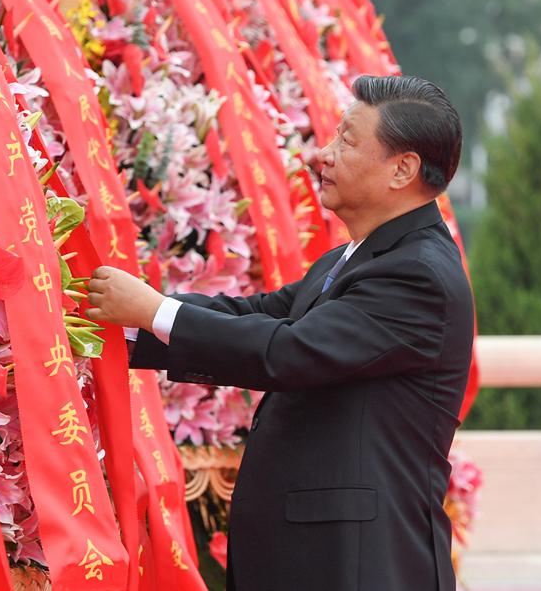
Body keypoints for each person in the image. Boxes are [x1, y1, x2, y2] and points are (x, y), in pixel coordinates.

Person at [87, 74, 475, 591]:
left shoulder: (416, 275)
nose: (323, 155)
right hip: (318, 556)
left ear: (402, 169)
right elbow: (256, 314)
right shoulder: (352, 259)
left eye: (347, 141)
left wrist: (154, 309)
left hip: (358, 563)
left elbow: (290, 351)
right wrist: (117, 325)